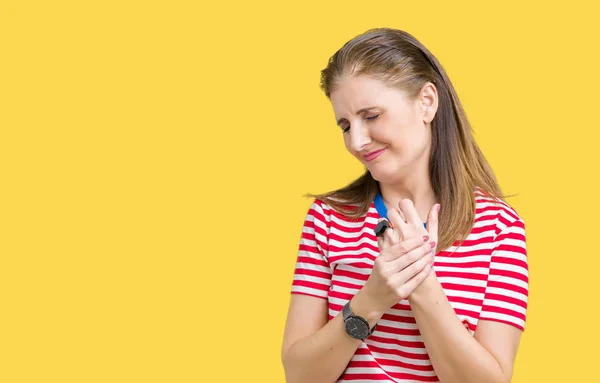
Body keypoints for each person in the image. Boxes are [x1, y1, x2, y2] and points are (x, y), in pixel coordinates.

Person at [281, 28, 529, 383]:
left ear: (426, 102)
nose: (357, 141)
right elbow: (299, 375)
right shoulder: (329, 218)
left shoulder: (499, 228)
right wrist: (370, 301)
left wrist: (422, 283)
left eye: (371, 116)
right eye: (345, 125)